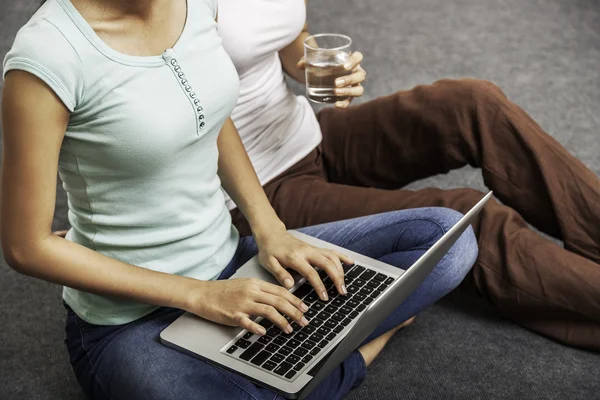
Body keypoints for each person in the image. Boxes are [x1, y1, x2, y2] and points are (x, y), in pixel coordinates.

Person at [1, 0, 478, 399]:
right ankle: (348, 350)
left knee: (446, 240)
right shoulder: (47, 57)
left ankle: (290, 361)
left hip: (236, 264)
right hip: (130, 319)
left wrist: (270, 230)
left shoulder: (193, 3)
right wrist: (201, 295)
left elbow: (213, 117)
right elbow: (27, 247)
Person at [214, 0, 600, 350]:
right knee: (463, 218)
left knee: (472, 104)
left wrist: (317, 68)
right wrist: (266, 226)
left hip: (305, 134)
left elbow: (284, 37)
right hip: (260, 192)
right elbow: (194, 112)